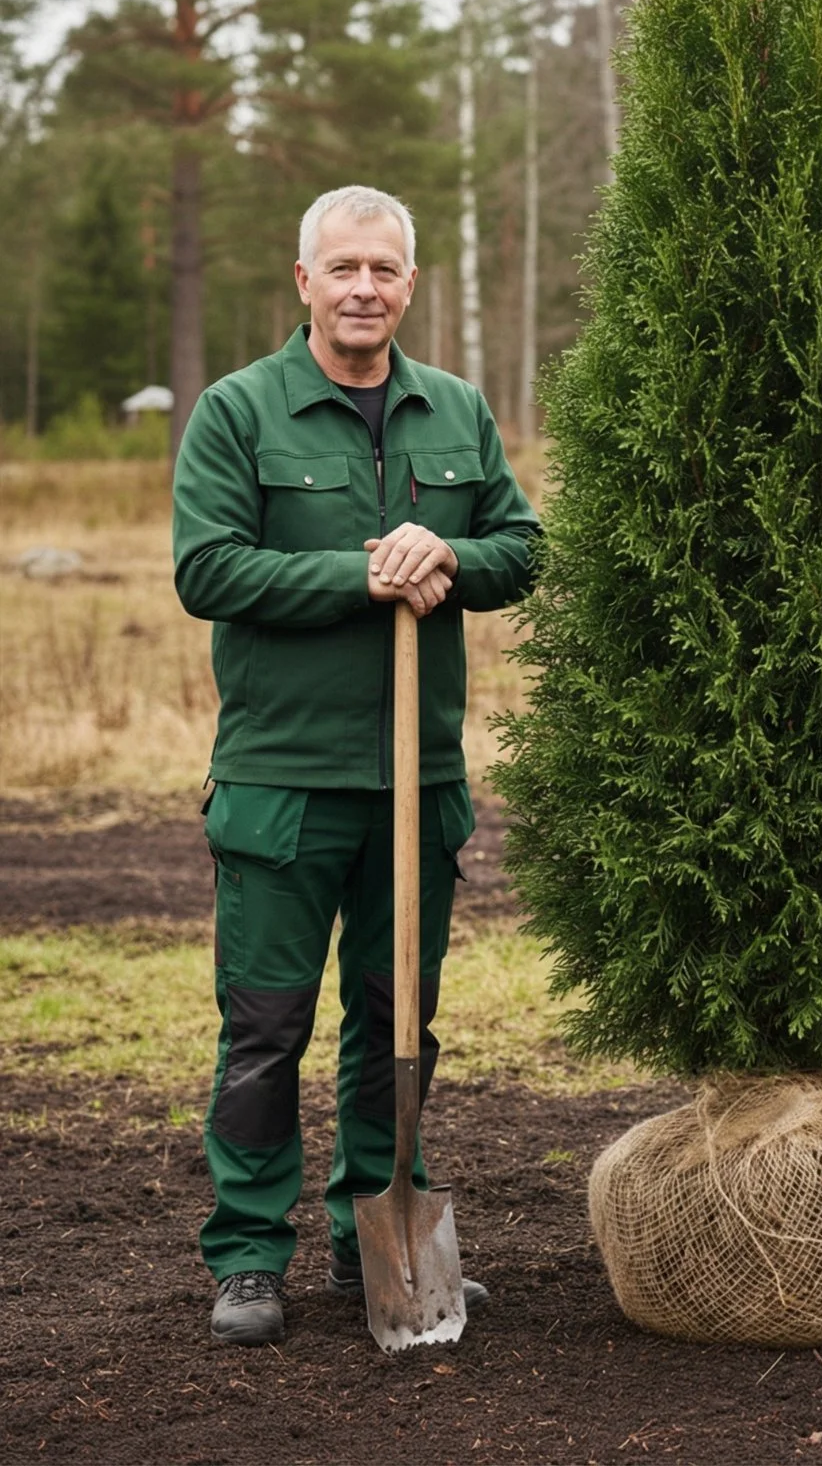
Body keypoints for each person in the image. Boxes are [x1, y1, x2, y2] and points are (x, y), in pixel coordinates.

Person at [173, 183, 540, 1346]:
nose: (364, 288)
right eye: (344, 268)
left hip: (415, 785)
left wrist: (452, 551)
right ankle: (247, 1255)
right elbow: (208, 569)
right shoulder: (239, 412)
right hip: (282, 783)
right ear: (305, 281)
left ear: (410, 284)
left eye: (384, 269)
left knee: (398, 1022)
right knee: (266, 1026)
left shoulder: (457, 410)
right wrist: (362, 572)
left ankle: (371, 1236)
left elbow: (522, 548)